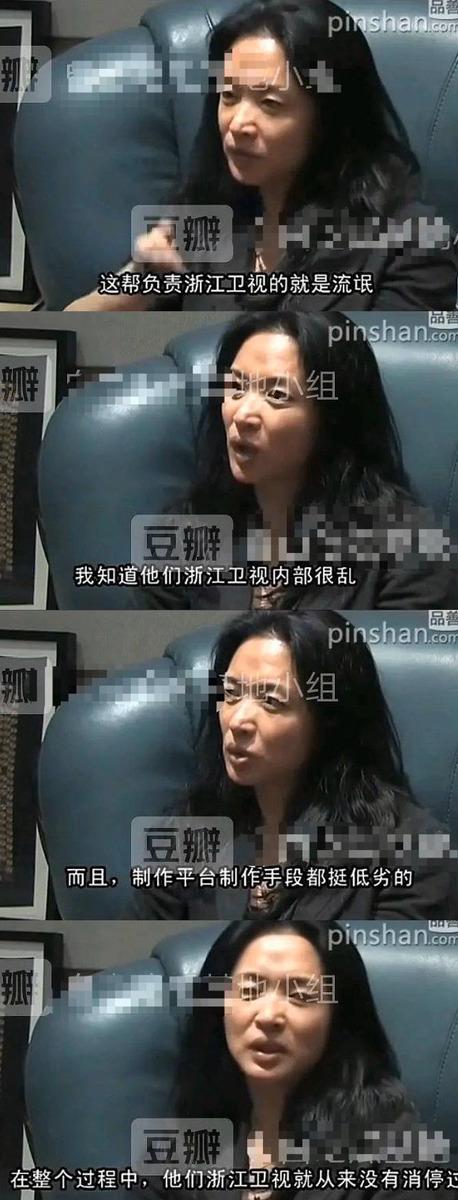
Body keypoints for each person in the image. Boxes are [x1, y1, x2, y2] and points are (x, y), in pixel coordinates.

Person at [64, 0, 458, 314]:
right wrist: (137, 281)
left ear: (331, 119)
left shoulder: (411, 245)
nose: (238, 124)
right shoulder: (201, 216)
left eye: (269, 103)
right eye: (229, 96)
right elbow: (77, 318)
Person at [122, 610, 455, 920]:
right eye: (231, 693)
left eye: (271, 701)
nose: (237, 721)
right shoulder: (187, 828)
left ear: (331, 720)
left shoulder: (416, 853)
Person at [127, 311, 456, 610]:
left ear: (333, 418)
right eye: (236, 386)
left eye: (277, 395)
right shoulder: (189, 526)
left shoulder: (414, 553)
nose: (242, 414)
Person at [136, 920, 446, 1198]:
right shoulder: (179, 1139)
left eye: (300, 995)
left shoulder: (399, 1153)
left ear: (338, 1018)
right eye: (250, 990)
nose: (269, 1016)